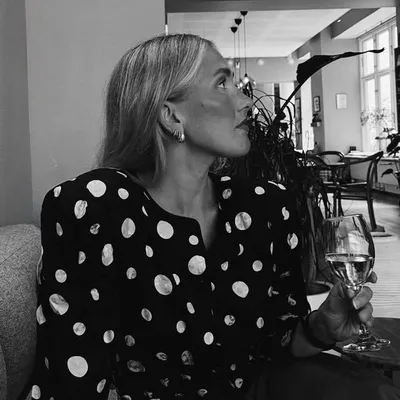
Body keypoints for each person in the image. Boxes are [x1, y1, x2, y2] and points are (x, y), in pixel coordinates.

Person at [30, 33, 400, 400]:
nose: (246, 102)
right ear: (170, 114)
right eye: (222, 83)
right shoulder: (95, 208)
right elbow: (74, 378)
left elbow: (277, 342)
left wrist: (321, 328)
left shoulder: (266, 206)